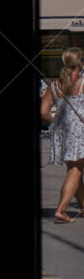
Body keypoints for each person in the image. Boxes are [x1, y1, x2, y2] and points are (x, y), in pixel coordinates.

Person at [40, 46, 84, 222]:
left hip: (63, 132)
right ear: (80, 62)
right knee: (75, 170)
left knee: (74, 169)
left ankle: (83, 205)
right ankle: (61, 209)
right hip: (80, 132)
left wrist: (56, 123)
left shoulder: (55, 85)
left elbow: (43, 112)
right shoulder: (82, 83)